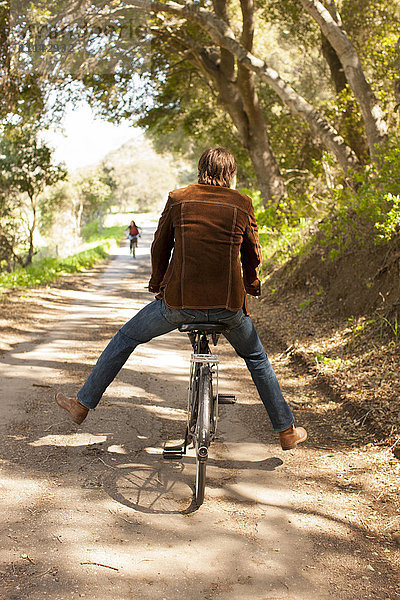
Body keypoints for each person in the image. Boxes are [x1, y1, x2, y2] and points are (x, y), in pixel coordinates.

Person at [56, 147, 307, 451]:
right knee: (256, 358)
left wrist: (157, 284)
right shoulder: (242, 203)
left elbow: (159, 246)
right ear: (230, 173)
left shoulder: (179, 198)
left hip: (178, 305)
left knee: (126, 338)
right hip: (228, 308)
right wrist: (251, 284)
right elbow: (252, 254)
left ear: (201, 169)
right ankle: (286, 431)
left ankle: (82, 405)